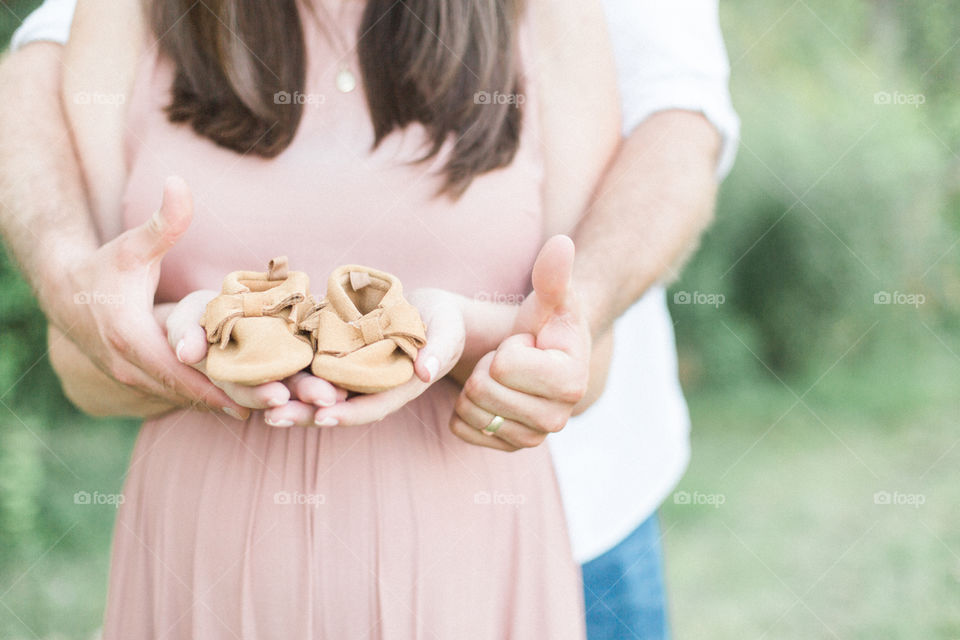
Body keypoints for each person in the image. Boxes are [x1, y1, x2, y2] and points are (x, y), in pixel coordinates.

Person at [0, 0, 739, 637]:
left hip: (475, 570)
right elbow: (82, 362)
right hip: (203, 570)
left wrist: (473, 340)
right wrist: (194, 336)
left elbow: (585, 358)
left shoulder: (551, 17)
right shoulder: (123, 15)